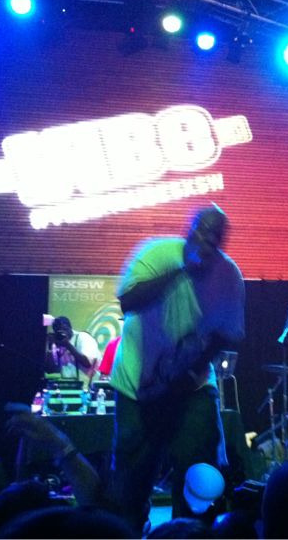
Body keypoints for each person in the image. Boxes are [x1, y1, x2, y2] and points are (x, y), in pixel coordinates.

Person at [107, 204, 245, 533]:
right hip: (136, 386)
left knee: (200, 474)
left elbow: (227, 335)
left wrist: (187, 372)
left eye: (216, 235)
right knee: (131, 477)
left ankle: (188, 532)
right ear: (189, 229)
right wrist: (183, 270)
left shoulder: (228, 276)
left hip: (191, 387)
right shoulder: (156, 254)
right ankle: (127, 528)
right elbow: (128, 302)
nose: (208, 239)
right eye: (203, 230)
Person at [44, 316, 101, 388]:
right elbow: (50, 370)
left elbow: (87, 363)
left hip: (89, 387)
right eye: (58, 331)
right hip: (69, 387)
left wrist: (67, 345)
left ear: (69, 327)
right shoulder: (58, 343)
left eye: (64, 329)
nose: (62, 333)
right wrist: (50, 347)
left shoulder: (83, 337)